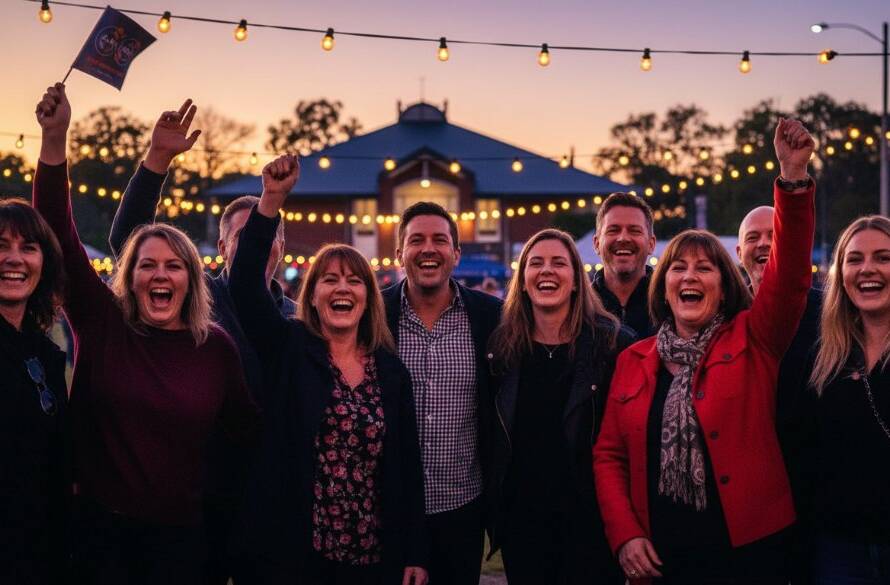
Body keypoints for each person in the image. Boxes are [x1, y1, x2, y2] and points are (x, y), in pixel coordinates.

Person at [33, 83, 257, 585]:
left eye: (174, 265)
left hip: (183, 544)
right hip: (98, 537)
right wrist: (54, 140)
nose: (160, 275)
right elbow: (55, 229)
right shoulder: (103, 321)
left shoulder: (215, 348)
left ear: (192, 279)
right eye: (147, 265)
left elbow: (247, 435)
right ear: (129, 277)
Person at [594, 117, 816, 584]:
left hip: (751, 553)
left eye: (704, 268)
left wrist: (792, 179)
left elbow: (791, 274)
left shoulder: (754, 338)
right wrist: (625, 534)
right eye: (678, 267)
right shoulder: (633, 361)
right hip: (661, 557)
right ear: (664, 283)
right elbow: (609, 456)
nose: (690, 276)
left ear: (724, 283)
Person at [107, 99, 296, 585]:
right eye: (243, 235)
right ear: (223, 244)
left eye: (270, 236)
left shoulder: (298, 317)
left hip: (269, 489)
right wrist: (156, 164)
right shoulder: (202, 296)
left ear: (282, 244)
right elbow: (131, 240)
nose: (259, 244)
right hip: (198, 486)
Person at [227, 154, 428, 585]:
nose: (342, 287)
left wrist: (415, 549)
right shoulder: (288, 347)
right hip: (294, 552)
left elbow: (407, 467)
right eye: (329, 279)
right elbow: (243, 283)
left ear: (368, 297)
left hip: (372, 556)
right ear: (313, 295)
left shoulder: (390, 372)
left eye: (354, 280)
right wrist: (271, 201)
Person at [486, 228, 632, 585]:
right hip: (524, 522)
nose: (546, 271)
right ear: (522, 281)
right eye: (535, 263)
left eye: (558, 263)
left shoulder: (612, 343)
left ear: (577, 280)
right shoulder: (501, 348)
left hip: (591, 521)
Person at [383, 201, 502, 584]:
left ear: (456, 253)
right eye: (416, 240)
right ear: (400, 253)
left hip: (463, 508)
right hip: (388, 510)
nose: (428, 248)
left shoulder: (490, 317)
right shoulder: (375, 314)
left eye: (439, 240)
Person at [737, 204, 823, 584]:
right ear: (738, 254)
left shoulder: (827, 310)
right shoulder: (726, 316)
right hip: (753, 495)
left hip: (816, 486)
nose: (764, 243)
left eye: (773, 234)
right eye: (752, 238)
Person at [807, 215, 890, 584]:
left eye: (883, 257)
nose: (867, 268)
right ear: (840, 273)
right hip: (840, 550)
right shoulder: (824, 358)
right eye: (854, 259)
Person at [0, 199, 68, 585]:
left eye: (28, 247)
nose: (14, 259)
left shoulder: (46, 355)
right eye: (1, 245)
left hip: (39, 556)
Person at [593, 192, 657, 338]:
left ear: (651, 244)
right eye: (613, 230)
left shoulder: (670, 304)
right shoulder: (580, 309)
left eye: (634, 231)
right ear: (597, 244)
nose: (623, 238)